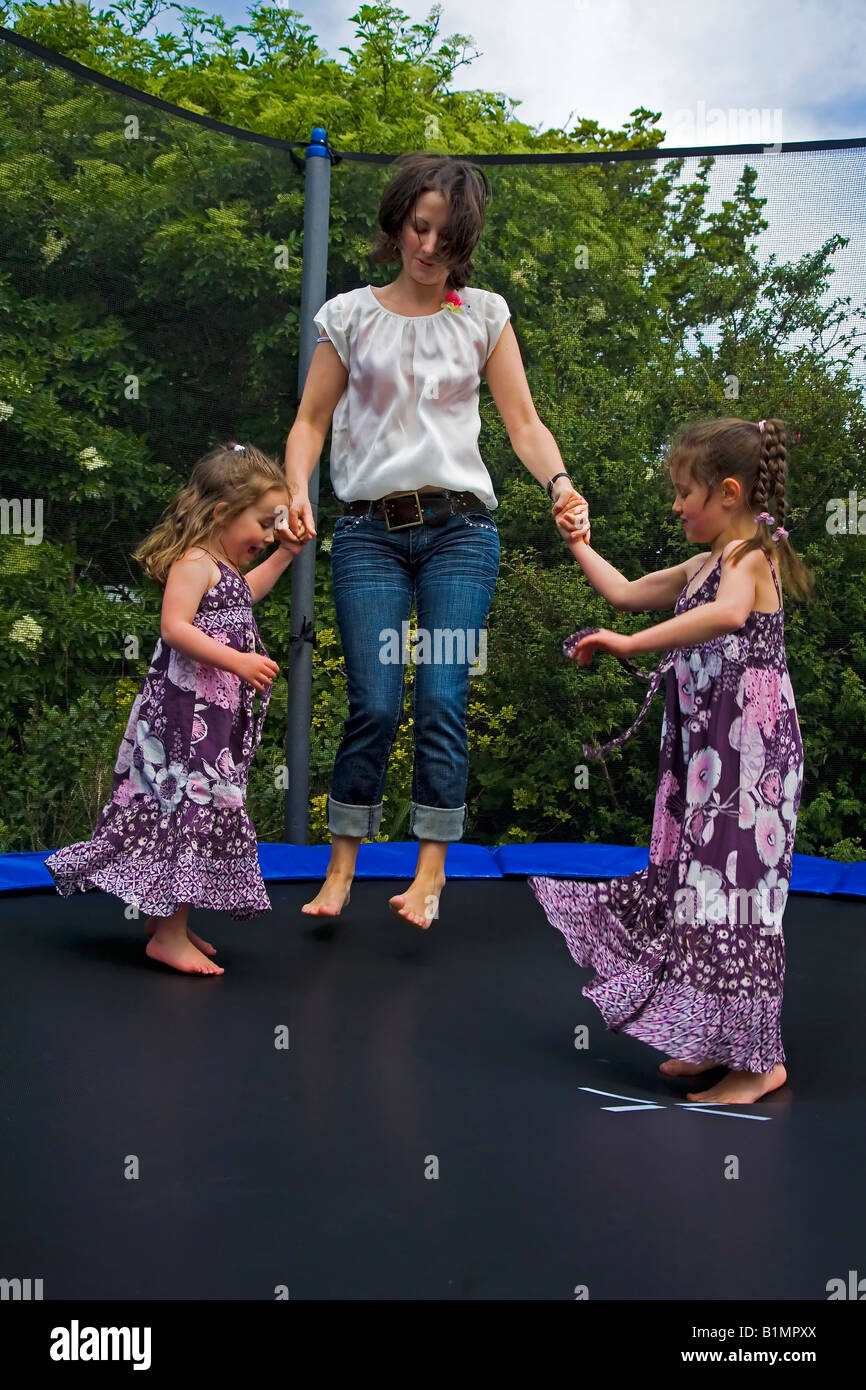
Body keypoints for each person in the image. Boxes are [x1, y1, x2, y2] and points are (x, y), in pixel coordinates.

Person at [284, 152, 589, 928]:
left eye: (447, 238)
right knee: (376, 703)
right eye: (421, 229)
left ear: (465, 242)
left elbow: (523, 423)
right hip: (366, 534)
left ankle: (430, 875)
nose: (430, 247)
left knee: (443, 697)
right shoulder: (348, 315)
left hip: (461, 533)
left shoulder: (482, 314)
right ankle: (342, 869)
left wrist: (561, 485)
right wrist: (296, 488)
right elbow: (311, 421)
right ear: (398, 224)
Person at [530, 417, 813, 1104]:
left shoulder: (750, 557)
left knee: (739, 899)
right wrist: (580, 545)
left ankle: (757, 1062)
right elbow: (624, 593)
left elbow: (726, 618)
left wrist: (631, 645)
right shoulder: (703, 563)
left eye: (685, 492)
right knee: (700, 892)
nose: (677, 505)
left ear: (728, 492)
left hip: (750, 760)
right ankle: (717, 1043)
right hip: (708, 756)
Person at [45, 442, 303, 975]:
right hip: (186, 721)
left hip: (209, 718)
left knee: (189, 811)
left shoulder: (221, 567)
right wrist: (237, 660)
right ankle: (168, 933)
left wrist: (283, 555)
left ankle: (165, 919)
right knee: (188, 809)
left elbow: (242, 596)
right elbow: (175, 628)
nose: (269, 533)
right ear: (220, 513)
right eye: (264, 522)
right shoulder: (193, 562)